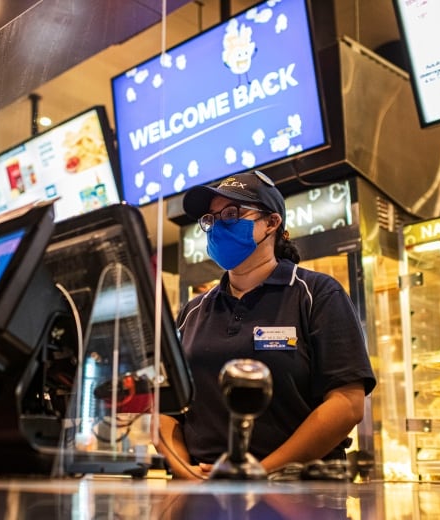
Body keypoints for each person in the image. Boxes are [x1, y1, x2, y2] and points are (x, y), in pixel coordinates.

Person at [158, 170, 376, 480]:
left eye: (232, 214)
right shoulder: (193, 311)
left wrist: (257, 472)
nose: (217, 226)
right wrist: (186, 472)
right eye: (211, 218)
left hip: (298, 494)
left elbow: (347, 404)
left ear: (271, 223)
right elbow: (168, 410)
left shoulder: (317, 294)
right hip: (200, 492)